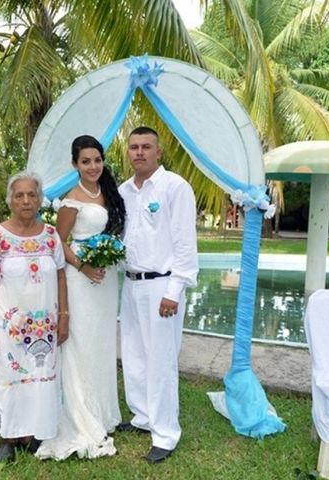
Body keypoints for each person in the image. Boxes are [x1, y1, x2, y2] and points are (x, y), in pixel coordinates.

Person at [36, 135, 126, 460]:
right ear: (75, 164)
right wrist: (84, 267)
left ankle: (103, 413)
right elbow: (58, 242)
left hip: (105, 280)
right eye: (85, 161)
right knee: (82, 343)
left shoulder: (108, 193)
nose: (93, 166)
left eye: (97, 160)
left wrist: (105, 259)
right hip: (81, 279)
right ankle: (81, 414)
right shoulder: (71, 200)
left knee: (102, 343)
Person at [116, 126, 198, 463]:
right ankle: (143, 417)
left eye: (146, 146)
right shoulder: (122, 191)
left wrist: (174, 290)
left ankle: (165, 433)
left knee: (161, 360)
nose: (139, 152)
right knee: (133, 353)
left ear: (158, 152)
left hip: (161, 286)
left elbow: (184, 243)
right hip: (131, 283)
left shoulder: (174, 187)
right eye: (134, 147)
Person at [0, 171, 68, 464]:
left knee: (40, 376)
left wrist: (64, 316)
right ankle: (7, 437)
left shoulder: (51, 235)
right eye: (19, 195)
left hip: (45, 325)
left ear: (40, 199)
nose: (26, 201)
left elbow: (62, 276)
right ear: (10, 200)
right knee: (9, 376)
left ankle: (31, 434)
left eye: (32, 195)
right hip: (8, 326)